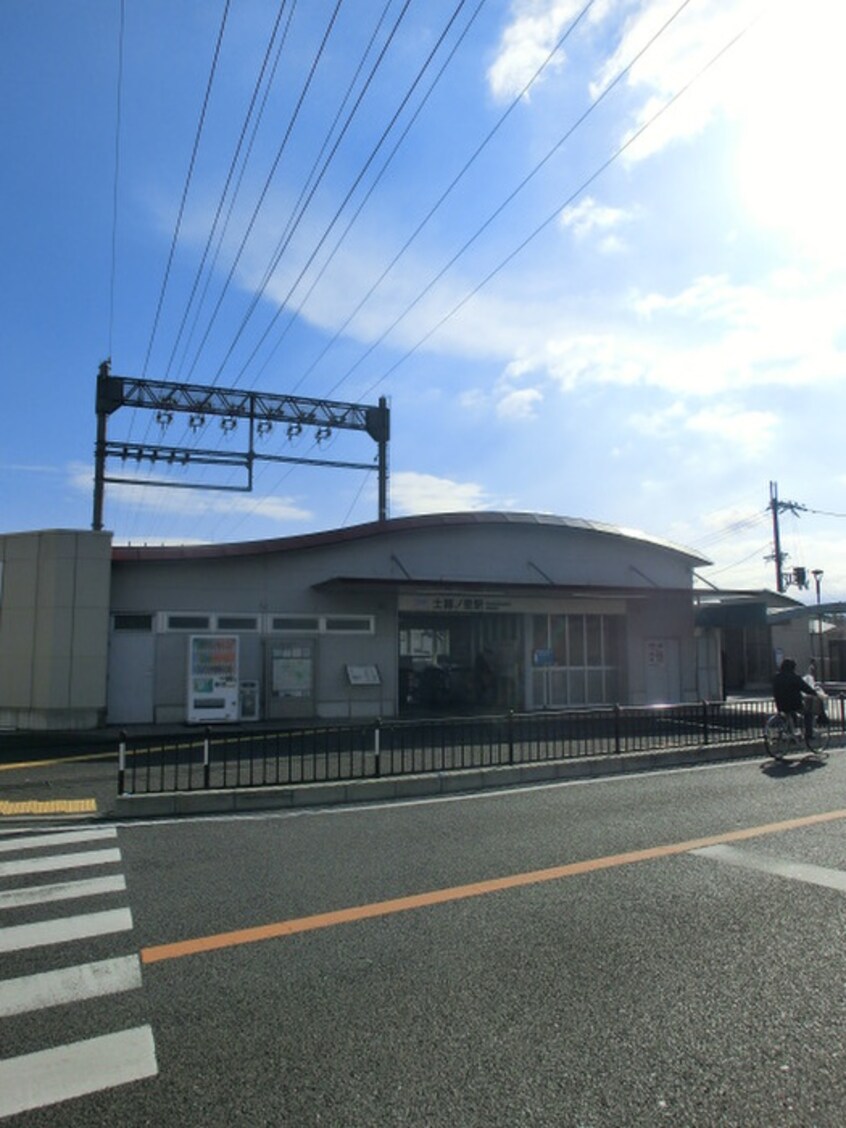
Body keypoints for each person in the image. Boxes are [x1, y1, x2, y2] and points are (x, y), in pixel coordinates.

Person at [772, 657, 822, 742]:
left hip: (780, 704)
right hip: (794, 704)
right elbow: (805, 688)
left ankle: (790, 733)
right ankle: (809, 734)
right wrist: (815, 694)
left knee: (789, 715)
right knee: (808, 714)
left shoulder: (777, 677)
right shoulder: (795, 677)